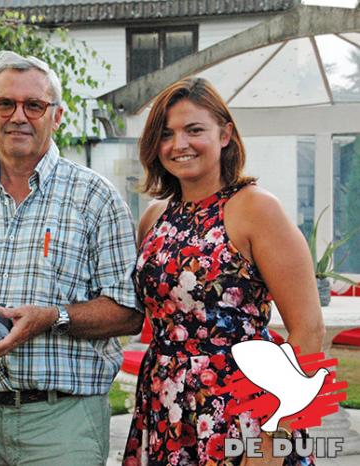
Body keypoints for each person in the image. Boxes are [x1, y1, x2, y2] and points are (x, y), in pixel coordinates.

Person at [0, 50, 144, 466]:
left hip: (62, 421)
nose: (18, 116)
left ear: (56, 116)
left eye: (34, 105)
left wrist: (51, 317)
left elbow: (129, 313)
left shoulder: (96, 198)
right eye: (5, 103)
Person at [122, 77, 324, 466]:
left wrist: (271, 441)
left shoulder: (256, 209)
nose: (179, 144)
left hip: (242, 410)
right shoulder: (155, 217)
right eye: (166, 134)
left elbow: (309, 330)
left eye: (194, 130)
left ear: (225, 134)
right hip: (165, 406)